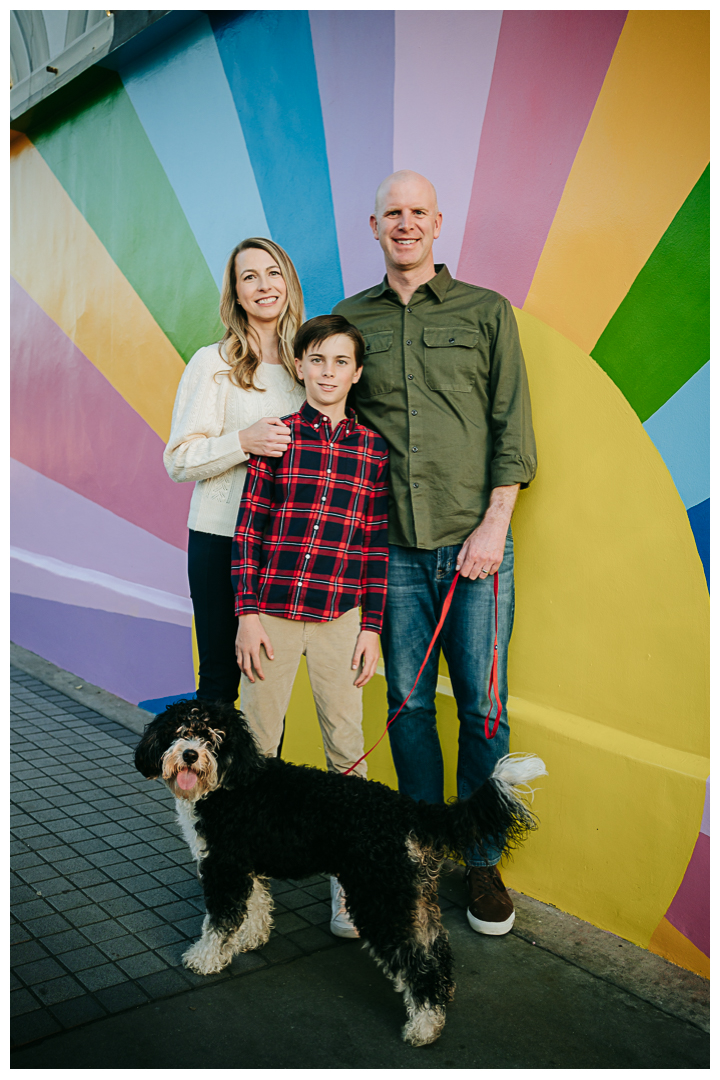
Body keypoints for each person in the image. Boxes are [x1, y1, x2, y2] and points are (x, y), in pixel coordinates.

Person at [333, 170, 537, 936]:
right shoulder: (349, 319)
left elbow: (512, 424)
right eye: (393, 213)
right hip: (387, 549)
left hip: (474, 546)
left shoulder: (487, 312)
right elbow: (329, 415)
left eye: (418, 212)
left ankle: (482, 859)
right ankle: (421, 851)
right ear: (375, 225)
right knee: (408, 705)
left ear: (438, 222)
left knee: (484, 709)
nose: (406, 223)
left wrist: (494, 524)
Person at [231, 313, 389, 937]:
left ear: (356, 372)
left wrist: (370, 628)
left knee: (347, 752)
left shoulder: (373, 450)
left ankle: (349, 891)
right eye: (317, 360)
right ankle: (245, 892)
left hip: (339, 622)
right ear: (299, 365)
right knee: (255, 752)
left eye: (341, 362)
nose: (328, 373)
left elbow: (374, 546)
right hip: (269, 616)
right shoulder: (276, 436)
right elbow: (248, 531)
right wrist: (246, 615)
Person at [164, 238, 306, 706]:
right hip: (219, 540)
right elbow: (178, 459)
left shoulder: (308, 366)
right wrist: (242, 442)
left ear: (288, 281)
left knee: (270, 687)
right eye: (250, 277)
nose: (264, 286)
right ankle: (209, 782)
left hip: (282, 543)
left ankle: (259, 783)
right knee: (221, 680)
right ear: (236, 295)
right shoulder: (214, 364)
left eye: (272, 273)